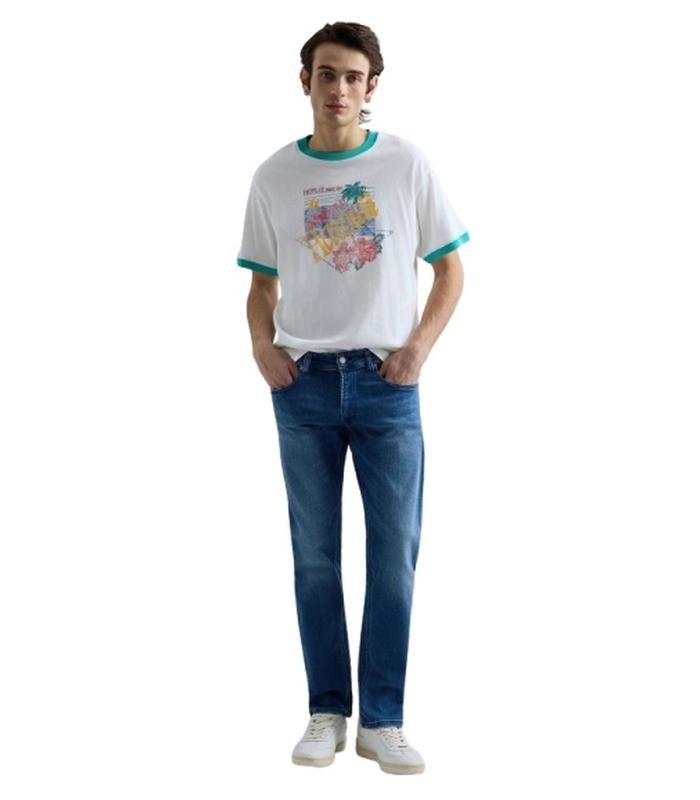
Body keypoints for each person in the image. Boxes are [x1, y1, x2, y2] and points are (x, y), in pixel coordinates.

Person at [236, 21, 470, 775]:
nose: (339, 88)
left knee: (394, 556)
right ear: (304, 79)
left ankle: (384, 720)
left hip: (386, 385)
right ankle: (328, 711)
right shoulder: (274, 176)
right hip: (302, 385)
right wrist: (263, 346)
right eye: (327, 73)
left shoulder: (404, 164)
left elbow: (451, 270)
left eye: (353, 77)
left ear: (372, 87)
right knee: (314, 556)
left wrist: (417, 350)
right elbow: (260, 285)